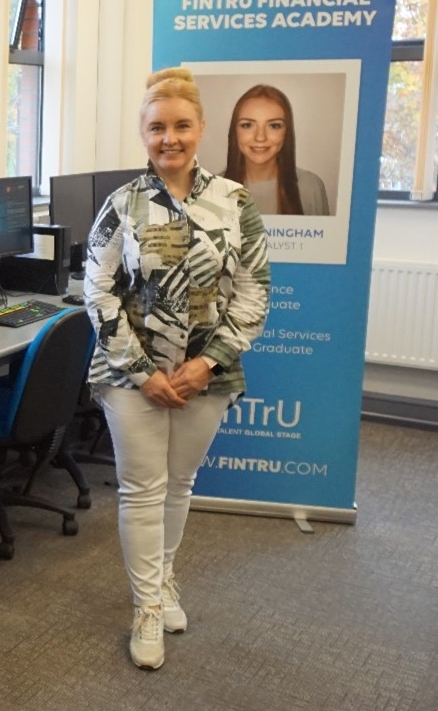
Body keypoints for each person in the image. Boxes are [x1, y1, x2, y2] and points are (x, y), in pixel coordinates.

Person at [83, 67, 270, 671]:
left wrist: (207, 364)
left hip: (206, 377)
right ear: (143, 132)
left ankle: (163, 582)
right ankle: (145, 607)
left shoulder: (235, 202)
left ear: (201, 128)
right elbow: (98, 291)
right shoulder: (122, 205)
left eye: (182, 126)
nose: (170, 138)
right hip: (130, 377)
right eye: (158, 127)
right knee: (142, 489)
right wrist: (143, 371)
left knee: (180, 485)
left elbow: (254, 290)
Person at [223, 84, 330, 215]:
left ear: (286, 132)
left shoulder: (311, 187)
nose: (260, 137)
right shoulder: (209, 191)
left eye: (274, 126)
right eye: (247, 125)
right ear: (234, 131)